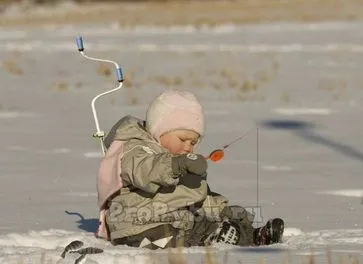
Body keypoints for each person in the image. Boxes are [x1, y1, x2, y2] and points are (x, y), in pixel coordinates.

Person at [95, 90, 284, 249]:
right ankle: (216, 236)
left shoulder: (179, 163)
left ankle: (255, 236)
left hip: (170, 222)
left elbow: (194, 195)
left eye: (193, 142)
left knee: (210, 222)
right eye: (182, 139)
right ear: (159, 130)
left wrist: (223, 210)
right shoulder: (137, 149)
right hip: (135, 228)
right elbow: (145, 171)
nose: (188, 147)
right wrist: (176, 164)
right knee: (196, 231)